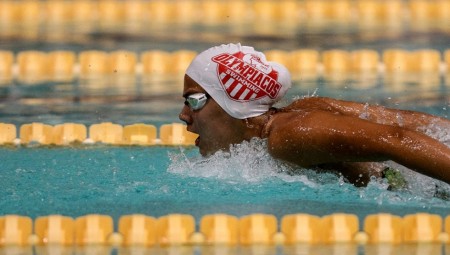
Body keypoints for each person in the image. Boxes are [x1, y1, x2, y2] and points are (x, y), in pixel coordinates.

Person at [178, 43, 450, 186]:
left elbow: (396, 137)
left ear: (233, 103)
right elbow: (404, 121)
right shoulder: (302, 111)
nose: (183, 115)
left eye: (194, 100)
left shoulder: (290, 135)